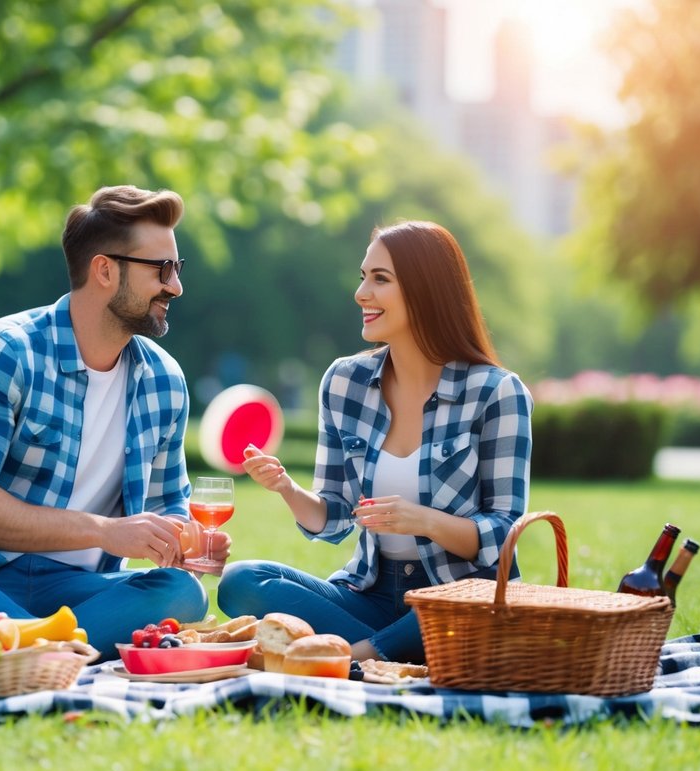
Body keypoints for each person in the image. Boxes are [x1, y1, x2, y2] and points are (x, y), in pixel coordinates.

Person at [0, 185, 230, 685]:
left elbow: (168, 508)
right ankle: (42, 650)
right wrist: (103, 530)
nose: (176, 286)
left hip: (75, 591)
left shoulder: (164, 381)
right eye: (161, 270)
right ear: (104, 270)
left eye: (177, 268)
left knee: (181, 594)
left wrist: (185, 540)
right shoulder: (0, 353)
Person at [219, 220, 532, 665]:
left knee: (478, 603)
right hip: (370, 591)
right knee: (242, 580)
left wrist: (422, 520)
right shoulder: (344, 382)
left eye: (380, 279)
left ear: (426, 290)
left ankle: (354, 656)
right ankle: (396, 651)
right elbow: (334, 516)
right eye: (363, 277)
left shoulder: (496, 392)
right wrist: (287, 490)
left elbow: (504, 538)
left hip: (457, 595)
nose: (361, 293)